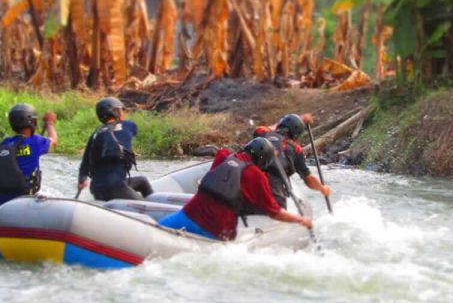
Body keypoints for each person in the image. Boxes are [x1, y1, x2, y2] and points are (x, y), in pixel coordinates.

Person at [158, 137, 313, 240]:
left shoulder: (223, 156)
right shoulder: (257, 176)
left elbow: (226, 151)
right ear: (263, 160)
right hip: (215, 230)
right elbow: (275, 212)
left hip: (188, 214)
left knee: (157, 228)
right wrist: (300, 219)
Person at [0, 103, 58, 208]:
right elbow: (54, 141)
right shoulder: (35, 141)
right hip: (23, 202)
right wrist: (49, 123)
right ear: (32, 122)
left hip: (0, 203)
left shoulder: (3, 144)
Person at [77, 97, 153, 201]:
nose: (123, 112)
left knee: (142, 181)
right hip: (116, 187)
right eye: (120, 110)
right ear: (115, 112)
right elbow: (132, 131)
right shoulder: (129, 125)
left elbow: (84, 165)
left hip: (96, 189)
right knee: (146, 206)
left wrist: (82, 179)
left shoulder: (95, 134)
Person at [252, 113, 332, 209]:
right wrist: (322, 188)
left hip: (249, 185)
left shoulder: (262, 134)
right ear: (296, 134)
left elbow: (265, 128)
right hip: (274, 193)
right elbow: (308, 179)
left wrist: (301, 118)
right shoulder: (296, 149)